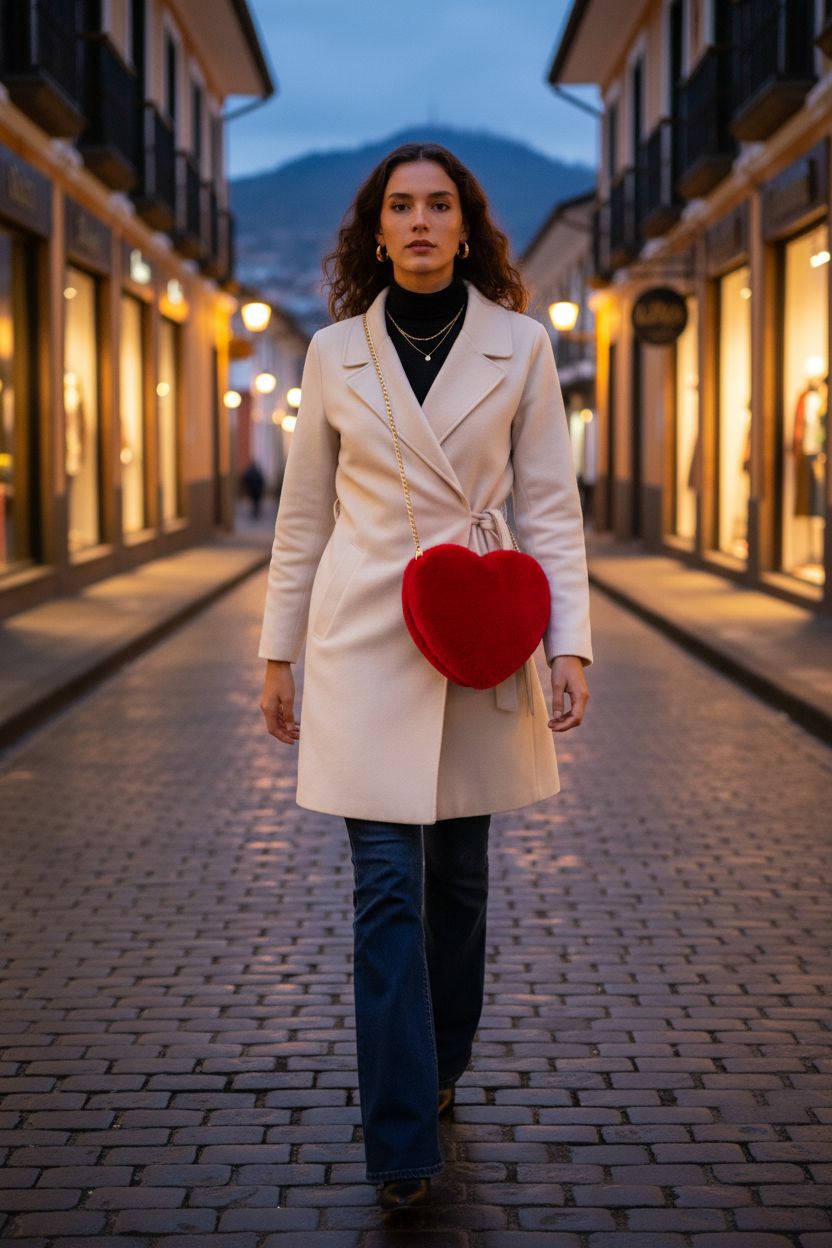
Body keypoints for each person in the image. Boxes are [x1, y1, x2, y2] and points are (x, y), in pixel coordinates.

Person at [258, 142, 592, 1209]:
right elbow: (302, 516)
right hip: (365, 639)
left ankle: (440, 1063)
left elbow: (548, 504)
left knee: (456, 881)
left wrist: (568, 641)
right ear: (373, 227)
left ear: (464, 224)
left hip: (481, 631)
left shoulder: (520, 346)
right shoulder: (331, 355)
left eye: (436, 205)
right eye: (398, 205)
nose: (416, 221)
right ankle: (400, 1139)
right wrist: (276, 651)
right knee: (386, 888)